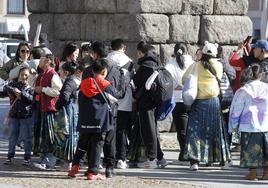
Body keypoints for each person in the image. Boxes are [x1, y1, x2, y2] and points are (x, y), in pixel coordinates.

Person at [182, 41, 231, 170]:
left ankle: (194, 161)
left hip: (199, 101)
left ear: (202, 53)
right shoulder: (219, 65)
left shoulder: (196, 65)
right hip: (214, 102)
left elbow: (184, 79)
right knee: (215, 130)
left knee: (196, 131)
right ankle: (220, 159)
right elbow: (219, 76)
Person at [77, 59, 125, 180]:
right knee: (104, 142)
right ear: (104, 71)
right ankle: (103, 169)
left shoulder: (84, 82)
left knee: (86, 143)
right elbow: (118, 94)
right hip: (102, 118)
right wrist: (123, 80)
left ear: (92, 71)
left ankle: (79, 165)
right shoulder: (104, 83)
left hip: (87, 118)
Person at [229, 64, 268, 180]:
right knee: (266, 149)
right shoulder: (266, 88)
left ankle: (253, 173)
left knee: (250, 150)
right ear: (261, 75)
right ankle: (266, 173)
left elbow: (236, 110)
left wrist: (234, 125)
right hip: (265, 124)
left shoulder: (243, 90)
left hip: (248, 125)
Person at [133, 41, 167, 168]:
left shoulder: (145, 66)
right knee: (153, 129)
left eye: (138, 53)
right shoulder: (157, 63)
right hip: (155, 101)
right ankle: (160, 158)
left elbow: (137, 82)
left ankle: (152, 159)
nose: (137, 55)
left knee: (149, 131)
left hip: (146, 103)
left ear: (142, 53)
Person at [106, 39, 134, 169]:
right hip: (124, 99)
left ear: (111, 47)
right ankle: (121, 158)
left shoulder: (106, 60)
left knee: (109, 130)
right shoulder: (129, 61)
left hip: (109, 98)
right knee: (122, 130)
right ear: (124, 47)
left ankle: (108, 158)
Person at [33, 52, 63, 170]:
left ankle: (49, 161)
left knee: (49, 136)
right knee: (42, 135)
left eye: (41, 59)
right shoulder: (42, 74)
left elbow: (58, 91)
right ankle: (43, 158)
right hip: (42, 108)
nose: (39, 62)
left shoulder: (53, 74)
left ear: (48, 61)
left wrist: (43, 89)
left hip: (50, 109)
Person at [165, 43, 194, 161]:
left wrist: (176, 85)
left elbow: (165, 79)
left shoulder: (170, 64)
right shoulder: (193, 63)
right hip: (192, 99)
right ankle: (192, 152)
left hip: (177, 99)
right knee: (191, 128)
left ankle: (184, 152)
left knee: (181, 129)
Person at [54, 62, 84, 170]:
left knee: (68, 136)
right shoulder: (77, 81)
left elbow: (65, 97)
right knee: (72, 136)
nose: (59, 72)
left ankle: (67, 162)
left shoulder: (70, 81)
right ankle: (69, 162)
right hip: (75, 110)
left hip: (69, 111)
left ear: (66, 72)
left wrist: (57, 106)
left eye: (61, 70)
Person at [3, 67, 34, 165]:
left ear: (29, 77)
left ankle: (27, 158)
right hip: (14, 115)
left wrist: (21, 94)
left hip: (25, 115)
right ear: (19, 75)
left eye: (26, 75)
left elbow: (31, 99)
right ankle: (10, 156)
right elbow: (6, 87)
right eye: (22, 75)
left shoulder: (31, 88)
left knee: (26, 138)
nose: (24, 77)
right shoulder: (15, 84)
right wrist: (14, 90)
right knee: (12, 137)